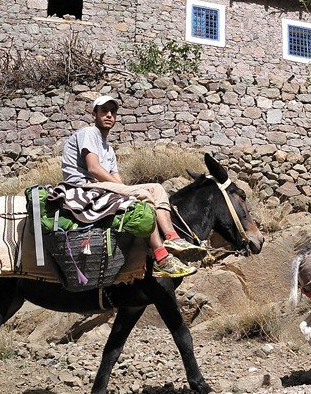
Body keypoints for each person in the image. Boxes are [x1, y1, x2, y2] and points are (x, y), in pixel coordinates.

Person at [61, 94, 206, 279]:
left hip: (100, 187)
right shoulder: (89, 133)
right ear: (94, 114)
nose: (109, 115)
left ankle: (173, 238)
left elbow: (117, 181)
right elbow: (94, 168)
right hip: (83, 187)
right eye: (104, 111)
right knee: (141, 195)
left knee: (156, 188)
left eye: (113, 112)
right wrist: (132, 193)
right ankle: (161, 257)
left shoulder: (108, 149)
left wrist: (127, 191)